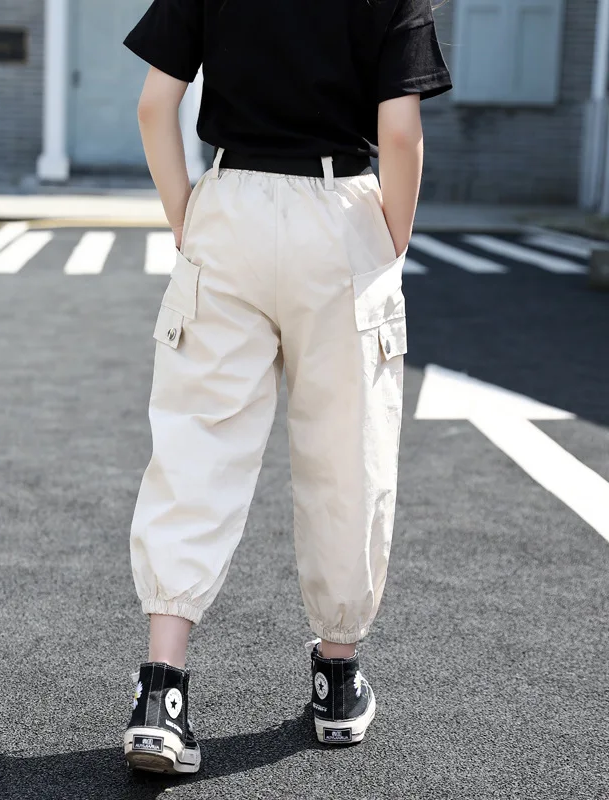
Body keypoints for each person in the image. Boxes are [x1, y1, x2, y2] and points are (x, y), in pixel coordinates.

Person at [121, 0, 452, 775]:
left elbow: (154, 105)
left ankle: (161, 693)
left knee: (196, 446)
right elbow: (401, 132)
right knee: (346, 452)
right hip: (341, 214)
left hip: (230, 205)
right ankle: (337, 679)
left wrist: (185, 217)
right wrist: (392, 238)